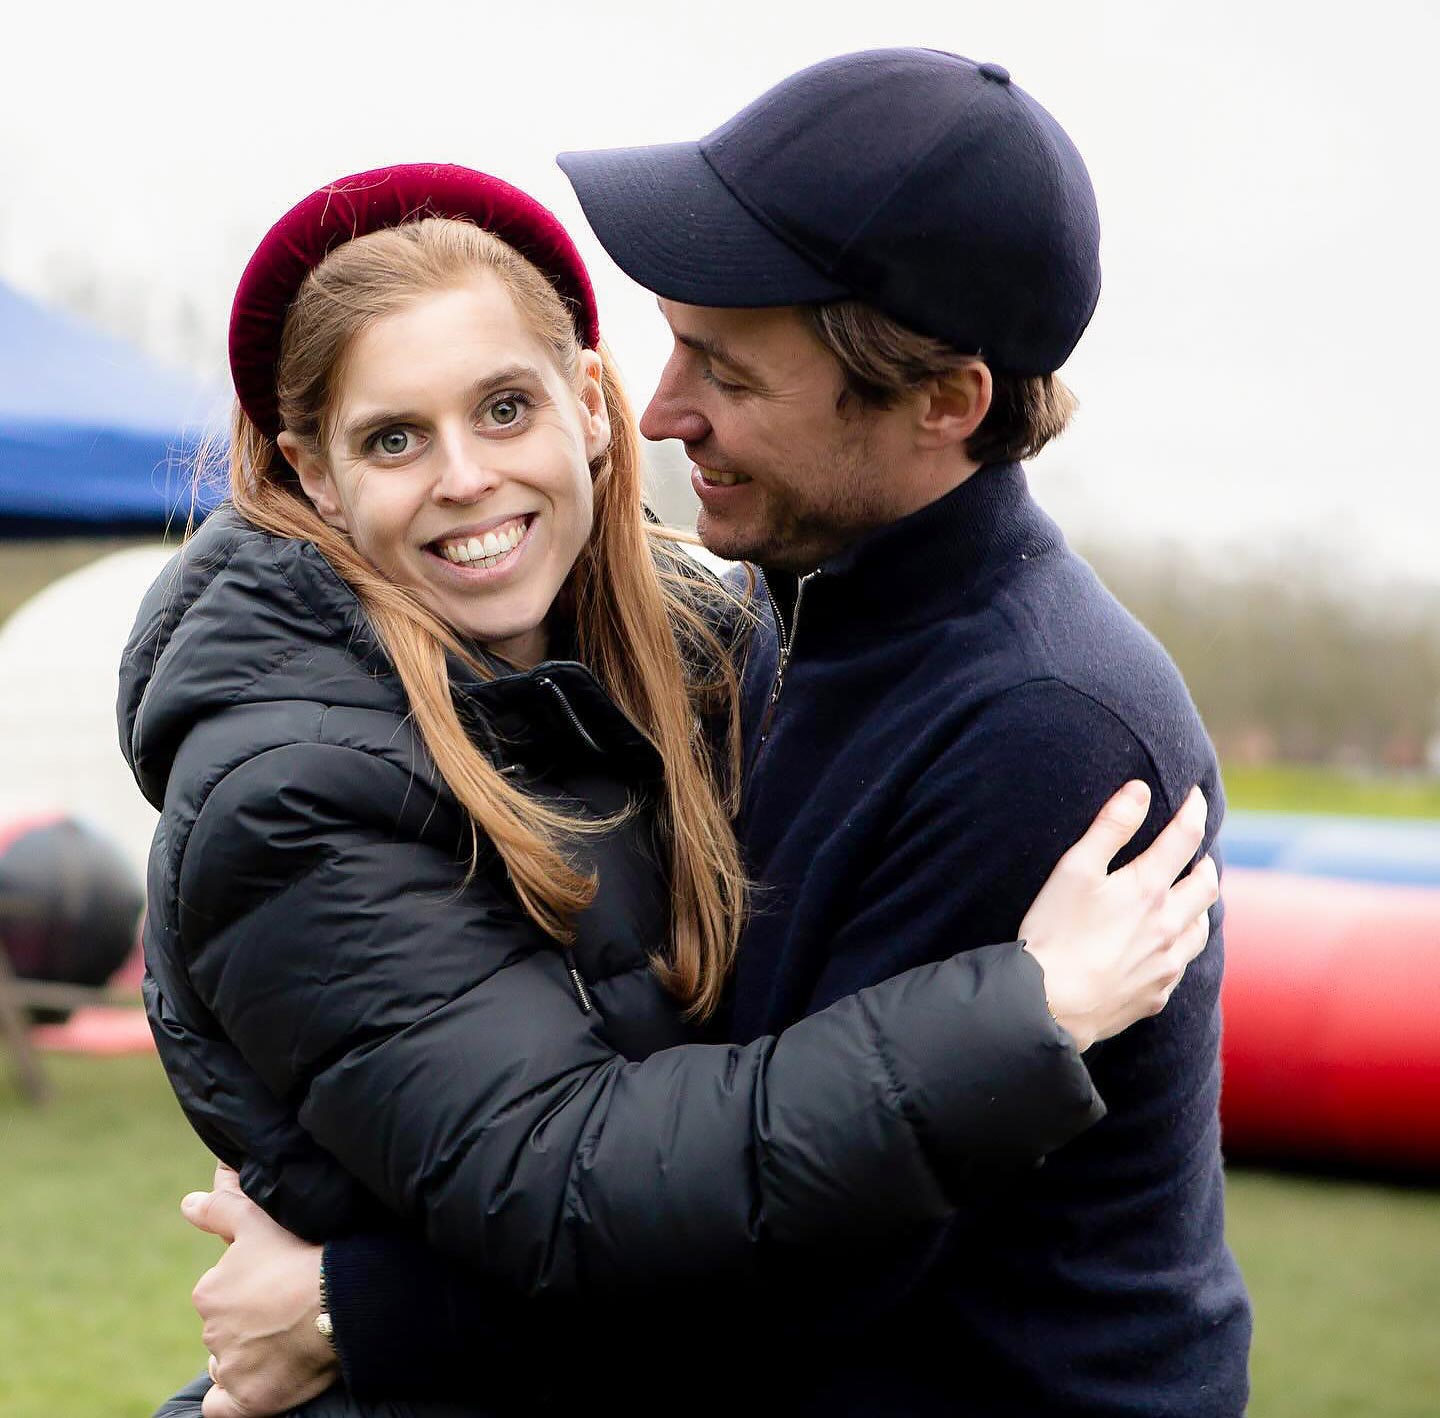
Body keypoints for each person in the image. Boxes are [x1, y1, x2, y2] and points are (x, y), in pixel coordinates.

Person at [129, 150, 1219, 1418]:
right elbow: (563, 1168)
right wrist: (1024, 1011)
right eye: (392, 439)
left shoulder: (709, 650)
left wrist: (339, 1304)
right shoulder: (290, 786)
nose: (467, 477)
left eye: (501, 408)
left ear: (582, 402)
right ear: (313, 473)